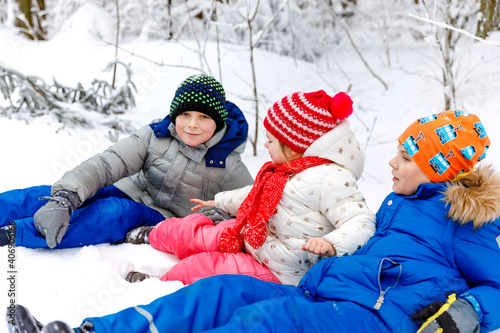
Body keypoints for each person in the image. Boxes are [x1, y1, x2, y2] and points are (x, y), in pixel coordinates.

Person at [7, 110, 500, 333]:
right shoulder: (399, 204)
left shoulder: (464, 222)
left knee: (263, 321)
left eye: (406, 158)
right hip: (322, 295)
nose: (391, 163)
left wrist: (466, 314)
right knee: (217, 291)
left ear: (441, 168)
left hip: (373, 320)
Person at [123, 90, 376, 286]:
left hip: (277, 269)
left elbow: (361, 221)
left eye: (271, 140)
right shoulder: (285, 170)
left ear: (294, 145)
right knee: (200, 229)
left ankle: (160, 286)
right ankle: (153, 235)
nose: (265, 145)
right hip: (255, 235)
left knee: (207, 267)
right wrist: (219, 201)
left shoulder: (332, 179)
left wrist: (331, 244)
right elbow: (253, 194)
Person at [0, 73, 253, 249]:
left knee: (114, 213)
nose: (192, 125)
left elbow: (251, 211)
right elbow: (108, 163)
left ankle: (15, 233)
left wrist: (215, 216)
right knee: (57, 194)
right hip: (128, 190)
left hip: (163, 219)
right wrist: (65, 197)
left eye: (203, 117)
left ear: (218, 122)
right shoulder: (157, 135)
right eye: (185, 114)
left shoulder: (229, 165)